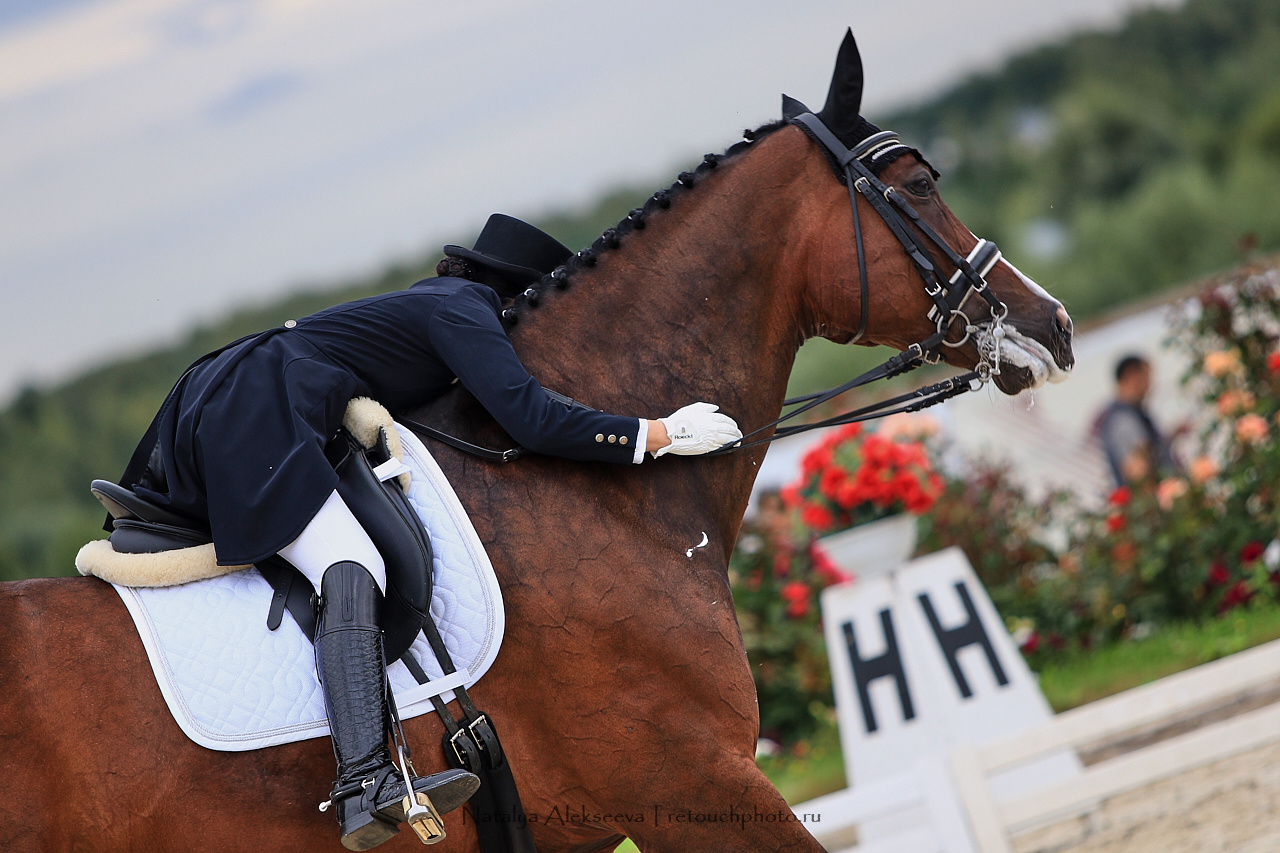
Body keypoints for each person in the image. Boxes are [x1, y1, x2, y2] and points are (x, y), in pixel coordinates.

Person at [107, 214, 742, 850]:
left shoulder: (431, 302)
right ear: (520, 293)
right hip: (256, 403)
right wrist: (659, 434)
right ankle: (364, 780)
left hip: (234, 389)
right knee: (350, 563)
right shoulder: (465, 310)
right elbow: (530, 417)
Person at [1096, 354, 1179, 487]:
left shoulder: (1132, 414)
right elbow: (1137, 471)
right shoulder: (1122, 420)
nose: (1150, 384)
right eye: (1146, 376)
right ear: (1131, 375)